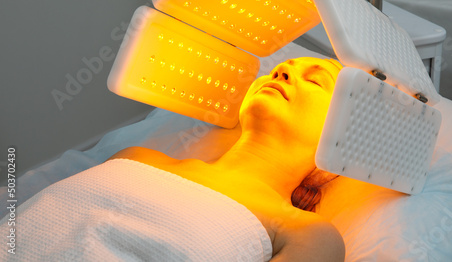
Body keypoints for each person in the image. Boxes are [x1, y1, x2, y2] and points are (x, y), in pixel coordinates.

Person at [109, 56, 345, 261]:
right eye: (275, 71)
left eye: (315, 80)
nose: (282, 71)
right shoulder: (137, 158)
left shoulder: (307, 234)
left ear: (341, 142)